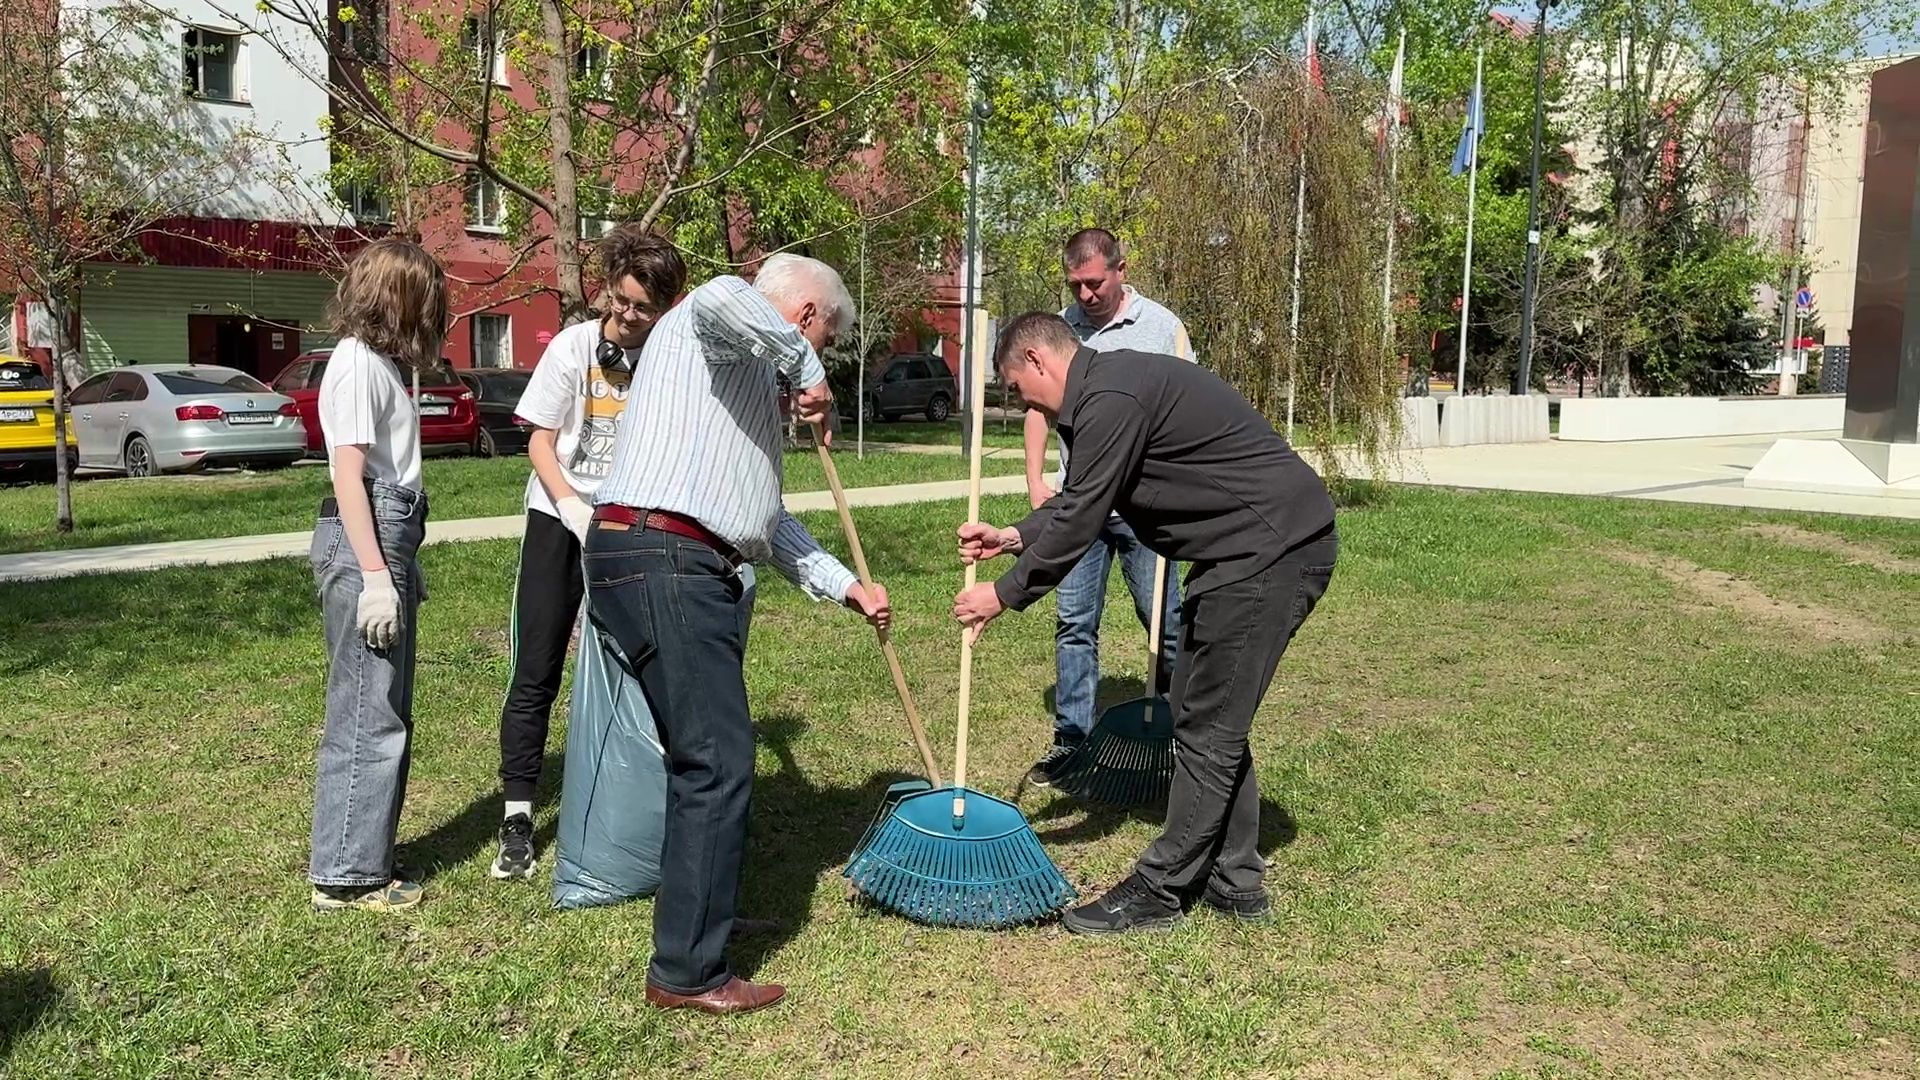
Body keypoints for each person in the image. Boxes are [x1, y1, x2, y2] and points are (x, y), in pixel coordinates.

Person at [954, 312, 1338, 936]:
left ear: (1038, 361)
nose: (1027, 406)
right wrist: (1014, 536)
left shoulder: (1111, 397)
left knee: (1209, 725)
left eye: (1020, 390)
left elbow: (1082, 515)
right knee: (1203, 714)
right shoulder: (1106, 391)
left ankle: (1160, 889)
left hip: (1269, 551)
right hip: (1239, 552)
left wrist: (1003, 595)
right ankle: (1235, 877)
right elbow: (1083, 499)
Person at [585, 254, 891, 1015]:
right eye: (823, 339)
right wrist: (807, 370)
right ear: (806, 316)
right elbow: (724, 295)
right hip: (666, 556)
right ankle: (687, 970)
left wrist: (844, 584)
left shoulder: (742, 378)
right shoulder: (715, 321)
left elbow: (759, 515)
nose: (819, 357)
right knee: (717, 762)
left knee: (703, 757)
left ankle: (702, 920)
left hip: (671, 555)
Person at [489, 227, 687, 879]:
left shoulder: (668, 358)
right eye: (621, 301)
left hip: (628, 524)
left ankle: (633, 800)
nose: (627, 316)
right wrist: (572, 507)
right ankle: (518, 817)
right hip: (558, 515)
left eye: (643, 309)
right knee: (537, 665)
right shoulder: (573, 347)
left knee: (641, 664)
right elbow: (539, 441)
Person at [306, 238, 449, 912]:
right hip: (370, 532)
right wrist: (375, 575)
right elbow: (348, 474)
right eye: (426, 300)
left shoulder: (376, 364)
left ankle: (362, 853)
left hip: (390, 532)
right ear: (398, 299)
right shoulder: (359, 364)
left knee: (380, 703)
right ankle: (347, 874)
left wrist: (397, 565)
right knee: (369, 709)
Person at [1022, 228, 1193, 786]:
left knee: (1165, 622)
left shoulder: (1161, 328)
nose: (1085, 295)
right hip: (1081, 504)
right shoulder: (1060, 329)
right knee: (1074, 623)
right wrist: (1036, 481)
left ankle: (1180, 732)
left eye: (1094, 283)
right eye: (1075, 285)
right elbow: (1038, 408)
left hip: (1146, 506)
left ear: (1122, 269)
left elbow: (1184, 404)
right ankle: (1072, 740)